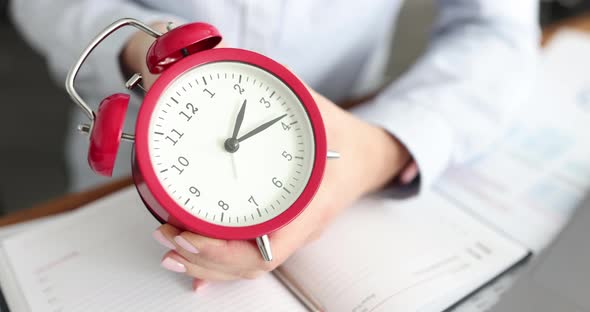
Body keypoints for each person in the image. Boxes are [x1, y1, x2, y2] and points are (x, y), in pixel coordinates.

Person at [10, 1, 539, 290]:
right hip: (135, 169)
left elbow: (496, 30)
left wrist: (381, 149)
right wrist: (138, 43)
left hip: (345, 138)